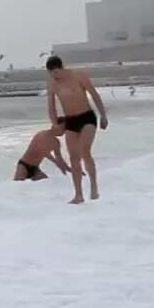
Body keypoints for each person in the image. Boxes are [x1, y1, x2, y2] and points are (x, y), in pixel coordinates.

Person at [45, 56, 108, 204]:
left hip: (87, 117)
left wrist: (103, 116)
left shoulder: (79, 75)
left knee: (84, 151)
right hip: (70, 121)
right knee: (73, 158)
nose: (54, 76)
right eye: (51, 74)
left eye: (56, 73)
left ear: (61, 68)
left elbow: (94, 95)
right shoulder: (52, 84)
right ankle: (78, 195)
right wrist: (55, 124)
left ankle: (94, 186)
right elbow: (51, 106)